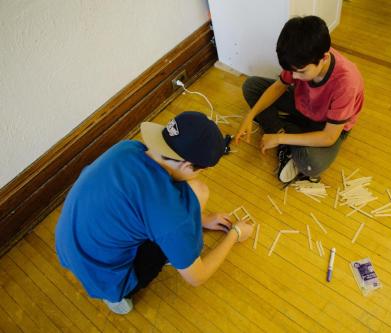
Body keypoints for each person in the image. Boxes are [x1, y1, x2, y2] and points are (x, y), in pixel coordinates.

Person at [55, 111, 254, 315]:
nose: (199, 174)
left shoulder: (129, 147)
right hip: (104, 276)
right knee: (194, 196)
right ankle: (115, 297)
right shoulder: (167, 213)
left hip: (67, 243)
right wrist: (235, 234)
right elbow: (197, 277)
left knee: (196, 191)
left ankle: (172, 244)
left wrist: (201, 219)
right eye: (201, 169)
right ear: (186, 165)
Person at [235, 15, 364, 183]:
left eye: (301, 72)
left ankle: (282, 133)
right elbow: (279, 86)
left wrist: (280, 138)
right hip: (303, 104)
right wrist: (250, 116)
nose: (294, 76)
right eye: (292, 70)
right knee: (251, 86)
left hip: (328, 126)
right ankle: (288, 134)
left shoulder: (346, 82)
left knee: (311, 164)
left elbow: (329, 137)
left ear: (324, 58)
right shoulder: (299, 58)